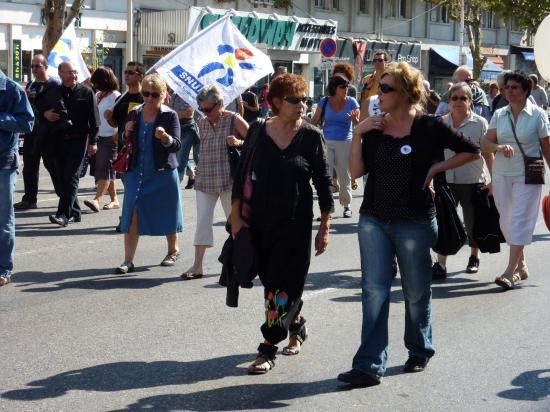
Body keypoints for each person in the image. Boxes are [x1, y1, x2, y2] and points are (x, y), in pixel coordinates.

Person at [338, 62, 480, 387]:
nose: (379, 94)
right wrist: (357, 134)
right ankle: (369, 364)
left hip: (415, 221)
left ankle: (419, 348)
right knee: (374, 291)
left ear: (405, 93)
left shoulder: (429, 126)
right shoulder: (373, 127)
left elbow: (471, 150)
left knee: (416, 292)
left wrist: (435, 169)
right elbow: (356, 173)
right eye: (379, 88)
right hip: (374, 218)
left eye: (386, 88)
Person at [230, 73, 333, 374]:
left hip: (295, 226)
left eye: (304, 100)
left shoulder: (312, 136)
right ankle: (296, 324)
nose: (302, 105)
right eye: (295, 100)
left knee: (278, 287)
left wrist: (324, 226)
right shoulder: (258, 131)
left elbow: (324, 185)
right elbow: (241, 175)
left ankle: (268, 347)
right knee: (275, 283)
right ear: (275, 102)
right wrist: (235, 217)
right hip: (258, 223)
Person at [482, 71, 550, 290]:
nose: (509, 91)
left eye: (514, 87)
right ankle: (521, 263)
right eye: (506, 87)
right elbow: (486, 145)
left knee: (520, 219)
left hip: (527, 174)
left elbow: (547, 149)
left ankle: (509, 272)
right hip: (502, 173)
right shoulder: (500, 114)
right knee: (506, 221)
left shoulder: (538, 114)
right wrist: (498, 147)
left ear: (525, 91)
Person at [115, 74, 183, 274]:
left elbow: (176, 145)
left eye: (154, 94)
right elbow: (124, 141)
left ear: (163, 95)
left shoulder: (169, 116)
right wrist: (125, 132)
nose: (150, 98)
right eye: (146, 94)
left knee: (167, 212)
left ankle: (173, 250)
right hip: (137, 171)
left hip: (162, 172)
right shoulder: (134, 113)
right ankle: (128, 260)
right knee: (131, 213)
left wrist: (166, 137)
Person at [181, 86, 248, 280]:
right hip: (205, 180)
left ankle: (244, 264)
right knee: (202, 222)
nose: (204, 113)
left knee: (235, 224)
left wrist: (238, 142)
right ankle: (197, 266)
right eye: (202, 109)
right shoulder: (201, 122)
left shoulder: (234, 119)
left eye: (208, 109)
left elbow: (255, 140)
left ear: (220, 104)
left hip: (229, 181)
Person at [431, 82, 493, 279]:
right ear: (449, 101)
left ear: (470, 102)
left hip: (472, 180)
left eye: (463, 98)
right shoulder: (440, 123)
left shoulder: (480, 123)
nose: (458, 102)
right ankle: (441, 264)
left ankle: (474, 256)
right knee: (445, 223)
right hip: (446, 181)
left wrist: (493, 181)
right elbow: (433, 155)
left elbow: (487, 154)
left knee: (472, 222)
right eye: (454, 98)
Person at [47, 61, 100, 227]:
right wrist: (45, 113)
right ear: (60, 74)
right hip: (57, 140)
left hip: (78, 140)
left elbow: (95, 120)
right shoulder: (54, 91)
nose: (74, 75)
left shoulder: (86, 92)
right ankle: (75, 212)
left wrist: (93, 141)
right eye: (70, 72)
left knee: (71, 176)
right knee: (62, 177)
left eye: (75, 72)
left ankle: (63, 215)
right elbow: (40, 107)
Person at [0, 69, 34, 287]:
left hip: (4, 161)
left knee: (3, 217)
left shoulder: (11, 88)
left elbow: (27, 123)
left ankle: (3, 268)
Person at [14, 54, 61, 210]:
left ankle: (66, 198)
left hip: (48, 134)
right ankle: (29, 199)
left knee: (53, 166)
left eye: (37, 66)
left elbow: (57, 110)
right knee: (29, 167)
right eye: (32, 66)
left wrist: (45, 114)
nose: (33, 69)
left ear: (46, 67)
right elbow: (29, 109)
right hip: (32, 133)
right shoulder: (31, 85)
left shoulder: (54, 85)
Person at [311, 70, 360, 218]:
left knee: (344, 175)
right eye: (342, 87)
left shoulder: (352, 102)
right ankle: (327, 210)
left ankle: (347, 205)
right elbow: (314, 122)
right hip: (326, 141)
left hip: (345, 141)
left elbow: (359, 124)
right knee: (326, 176)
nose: (346, 90)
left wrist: (354, 120)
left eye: (347, 87)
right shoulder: (324, 101)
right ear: (334, 88)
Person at [105, 61, 145, 232]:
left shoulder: (146, 97)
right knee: (128, 186)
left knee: (136, 188)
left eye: (131, 72)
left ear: (140, 76)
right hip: (124, 150)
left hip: (142, 149)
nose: (127, 75)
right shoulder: (121, 98)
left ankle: (128, 219)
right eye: (126, 72)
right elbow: (117, 123)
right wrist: (109, 118)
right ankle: (131, 217)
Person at [83, 66, 121, 213]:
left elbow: (120, 117)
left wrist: (117, 133)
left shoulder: (116, 96)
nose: (94, 84)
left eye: (97, 81)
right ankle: (114, 200)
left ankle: (97, 200)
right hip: (97, 137)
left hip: (110, 138)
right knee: (105, 169)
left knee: (104, 170)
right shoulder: (98, 94)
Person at [171, 93, 200, 189]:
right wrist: (176, 112)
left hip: (188, 129)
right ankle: (191, 174)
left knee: (181, 157)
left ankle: (175, 186)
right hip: (176, 127)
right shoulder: (175, 95)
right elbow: (170, 109)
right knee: (177, 155)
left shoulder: (190, 95)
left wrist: (175, 112)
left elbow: (188, 112)